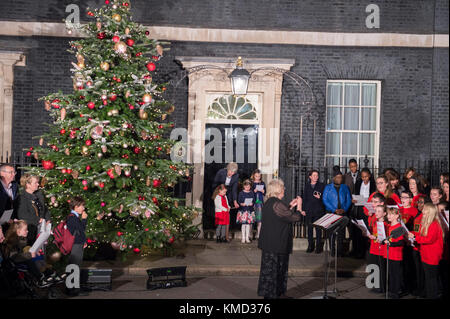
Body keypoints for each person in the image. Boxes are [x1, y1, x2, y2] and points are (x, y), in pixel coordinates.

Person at [257, 179, 301, 299]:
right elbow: (295, 218)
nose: (284, 189)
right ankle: (275, 295)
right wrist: (299, 207)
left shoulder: (269, 202)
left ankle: (273, 294)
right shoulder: (277, 203)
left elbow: (280, 215)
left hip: (269, 243)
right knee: (278, 271)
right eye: (282, 187)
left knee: (270, 271)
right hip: (277, 244)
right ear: (277, 190)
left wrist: (290, 206)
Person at [0, 220, 54, 288]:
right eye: (25, 230)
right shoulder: (12, 241)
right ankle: (40, 278)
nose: (27, 231)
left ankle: (47, 271)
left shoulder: (21, 238)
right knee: (29, 260)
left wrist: (35, 251)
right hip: (13, 261)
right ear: (18, 231)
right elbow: (14, 257)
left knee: (35, 254)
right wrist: (29, 255)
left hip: (20, 257)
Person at [408, 203, 444, 299]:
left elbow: (429, 239)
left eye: (425, 210)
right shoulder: (426, 223)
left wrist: (415, 237)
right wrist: (410, 233)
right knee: (428, 278)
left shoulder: (434, 224)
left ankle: (433, 295)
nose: (422, 211)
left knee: (431, 279)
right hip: (426, 255)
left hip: (432, 256)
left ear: (430, 212)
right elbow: (420, 234)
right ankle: (429, 295)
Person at [322, 166, 352, 256]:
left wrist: (344, 209)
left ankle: (340, 251)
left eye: (341, 177)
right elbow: (325, 199)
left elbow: (349, 199)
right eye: (338, 177)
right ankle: (332, 251)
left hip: (342, 213)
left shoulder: (345, 187)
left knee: (341, 233)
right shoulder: (328, 187)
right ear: (334, 178)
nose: (340, 179)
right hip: (332, 213)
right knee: (332, 233)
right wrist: (334, 209)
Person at [16, 174, 51, 245]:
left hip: (42, 229)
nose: (38, 184)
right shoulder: (22, 198)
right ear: (28, 185)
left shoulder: (38, 195)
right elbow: (23, 215)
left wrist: (48, 220)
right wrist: (38, 220)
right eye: (35, 183)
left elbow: (44, 209)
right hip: (30, 231)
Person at [66, 196, 89, 297]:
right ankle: (72, 290)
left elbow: (79, 232)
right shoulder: (72, 218)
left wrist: (83, 241)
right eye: (82, 206)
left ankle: (75, 288)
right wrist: (84, 219)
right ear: (76, 206)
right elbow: (81, 229)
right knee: (74, 266)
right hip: (75, 245)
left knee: (75, 266)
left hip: (77, 244)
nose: (83, 208)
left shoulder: (74, 217)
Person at [350, 167, 376, 258]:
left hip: (368, 209)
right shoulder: (358, 183)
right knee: (358, 230)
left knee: (366, 230)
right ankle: (357, 250)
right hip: (359, 208)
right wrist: (354, 200)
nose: (364, 179)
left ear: (369, 176)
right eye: (362, 177)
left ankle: (366, 252)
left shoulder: (373, 184)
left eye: (366, 177)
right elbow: (355, 194)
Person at [382, 199, 406, 299]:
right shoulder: (388, 226)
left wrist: (390, 243)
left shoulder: (399, 227)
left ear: (397, 216)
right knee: (390, 273)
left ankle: (396, 292)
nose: (389, 216)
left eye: (391, 214)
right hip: (389, 254)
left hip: (396, 254)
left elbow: (400, 242)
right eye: (388, 214)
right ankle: (391, 290)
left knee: (396, 274)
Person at [212, 162, 239, 241]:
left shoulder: (236, 176)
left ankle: (225, 236)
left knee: (227, 218)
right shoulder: (221, 172)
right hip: (218, 192)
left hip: (228, 195)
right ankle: (218, 235)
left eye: (234, 172)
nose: (232, 173)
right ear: (227, 169)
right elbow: (214, 184)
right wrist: (217, 194)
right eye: (230, 171)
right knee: (220, 218)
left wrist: (235, 201)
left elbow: (234, 189)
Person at [300, 169, 325, 254]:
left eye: (317, 175)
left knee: (318, 229)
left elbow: (325, 197)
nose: (316, 177)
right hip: (309, 210)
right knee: (309, 229)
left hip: (318, 210)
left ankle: (318, 247)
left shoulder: (322, 185)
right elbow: (304, 198)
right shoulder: (307, 186)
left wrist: (320, 198)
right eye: (314, 175)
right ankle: (310, 246)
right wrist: (303, 209)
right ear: (310, 177)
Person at [367, 203, 388, 294]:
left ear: (384, 214)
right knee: (375, 267)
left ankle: (382, 288)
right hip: (374, 247)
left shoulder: (386, 224)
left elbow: (386, 237)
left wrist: (376, 238)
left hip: (381, 249)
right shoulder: (375, 222)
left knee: (381, 269)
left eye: (379, 211)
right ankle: (376, 285)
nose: (376, 213)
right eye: (376, 211)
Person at [411, 194, 427, 297]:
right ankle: (419, 288)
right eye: (418, 202)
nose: (418, 204)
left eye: (421, 202)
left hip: (422, 247)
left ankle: (423, 290)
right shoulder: (418, 215)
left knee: (423, 271)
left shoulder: (425, 216)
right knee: (418, 270)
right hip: (415, 245)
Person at [0, 164, 19, 230]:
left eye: (14, 172)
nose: (13, 174)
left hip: (11, 219)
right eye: (11, 172)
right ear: (2, 173)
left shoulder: (14, 185)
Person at [251, 169, 266, 239]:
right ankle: (249, 234)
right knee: (251, 219)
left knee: (259, 219)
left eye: (259, 176)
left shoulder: (262, 183)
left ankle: (259, 235)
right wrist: (253, 191)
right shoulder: (251, 183)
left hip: (260, 203)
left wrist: (263, 191)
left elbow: (265, 192)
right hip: (252, 203)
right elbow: (248, 192)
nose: (257, 177)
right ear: (254, 176)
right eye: (256, 176)